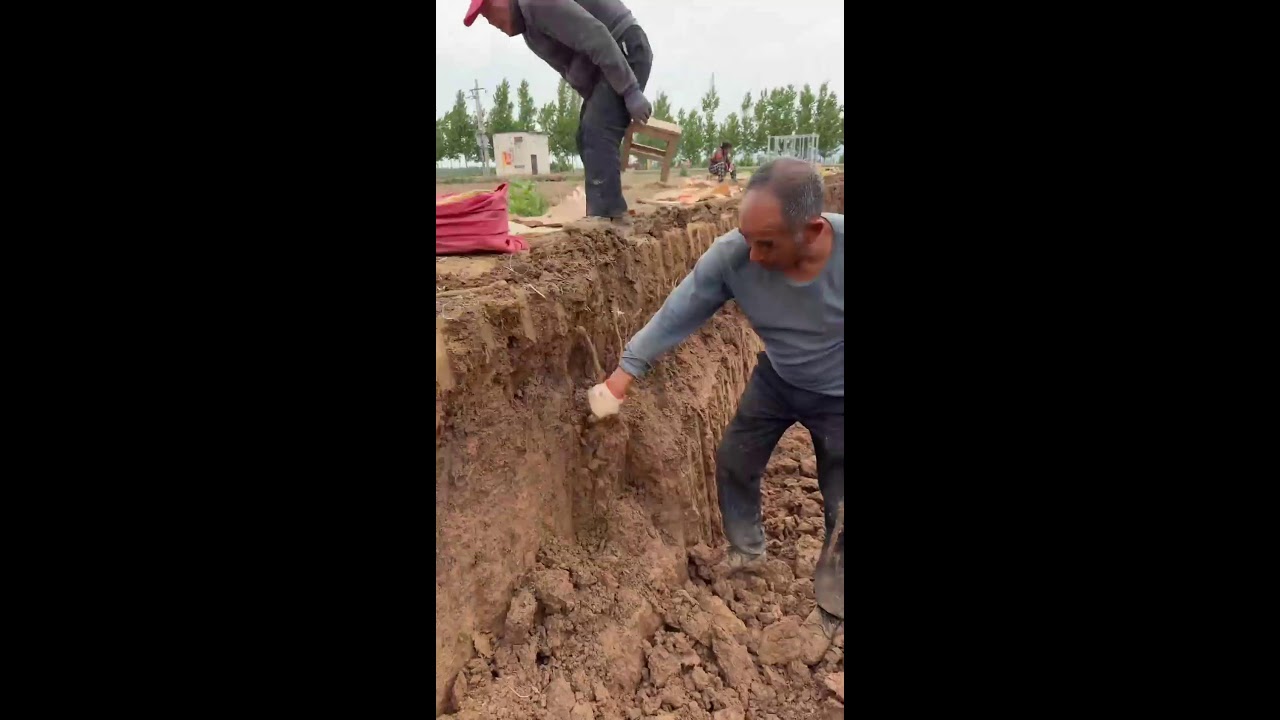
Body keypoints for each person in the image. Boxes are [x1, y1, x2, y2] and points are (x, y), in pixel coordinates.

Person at [587, 158, 845, 648]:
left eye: (766, 243)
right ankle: (747, 553)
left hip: (839, 393)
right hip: (780, 377)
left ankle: (834, 605)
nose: (752, 255)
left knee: (841, 500)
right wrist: (625, 373)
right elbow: (678, 310)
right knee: (733, 461)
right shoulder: (733, 256)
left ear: (811, 231)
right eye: (747, 238)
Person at [464, 0, 653, 224]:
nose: (492, 23)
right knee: (586, 135)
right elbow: (575, 70)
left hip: (623, 48)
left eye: (489, 13)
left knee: (597, 132)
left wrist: (630, 90)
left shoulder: (538, 4)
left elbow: (596, 36)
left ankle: (609, 219)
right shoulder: (530, 32)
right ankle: (606, 214)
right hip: (608, 64)